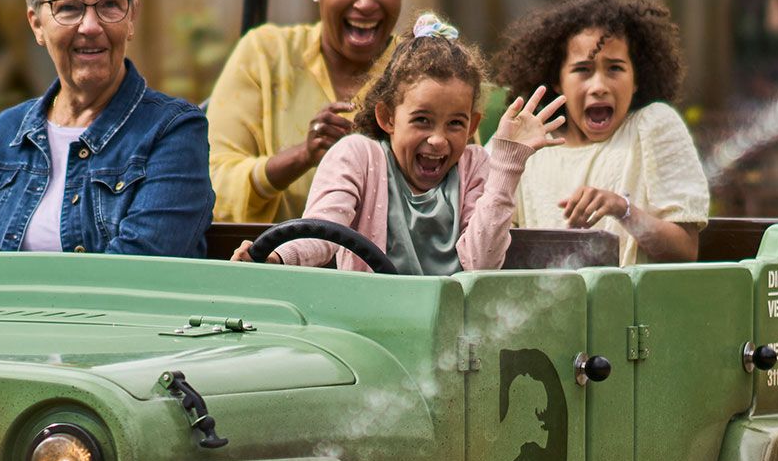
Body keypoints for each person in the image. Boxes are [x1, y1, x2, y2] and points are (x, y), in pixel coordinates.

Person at [0, 0, 212, 255]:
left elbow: (143, 271)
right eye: (69, 8)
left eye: (110, 5)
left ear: (131, 17)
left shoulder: (172, 132)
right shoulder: (3, 134)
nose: (91, 27)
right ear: (37, 24)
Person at [236, 19, 565, 273]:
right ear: (388, 117)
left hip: (449, 336)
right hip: (370, 328)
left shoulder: (475, 165)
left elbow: (480, 263)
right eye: (422, 120)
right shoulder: (357, 156)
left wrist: (506, 165)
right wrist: (278, 256)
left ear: (472, 127)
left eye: (455, 124)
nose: (437, 139)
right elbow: (324, 230)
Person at [205, 0, 439, 222]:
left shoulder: (427, 69)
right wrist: (303, 155)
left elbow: (469, 187)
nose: (366, 3)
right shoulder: (266, 54)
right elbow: (211, 184)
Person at [493, 0, 707, 264]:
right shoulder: (530, 147)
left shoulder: (653, 125)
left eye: (615, 68)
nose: (599, 86)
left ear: (637, 78)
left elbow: (685, 250)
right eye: (583, 70)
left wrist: (624, 210)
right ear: (557, 81)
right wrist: (506, 155)